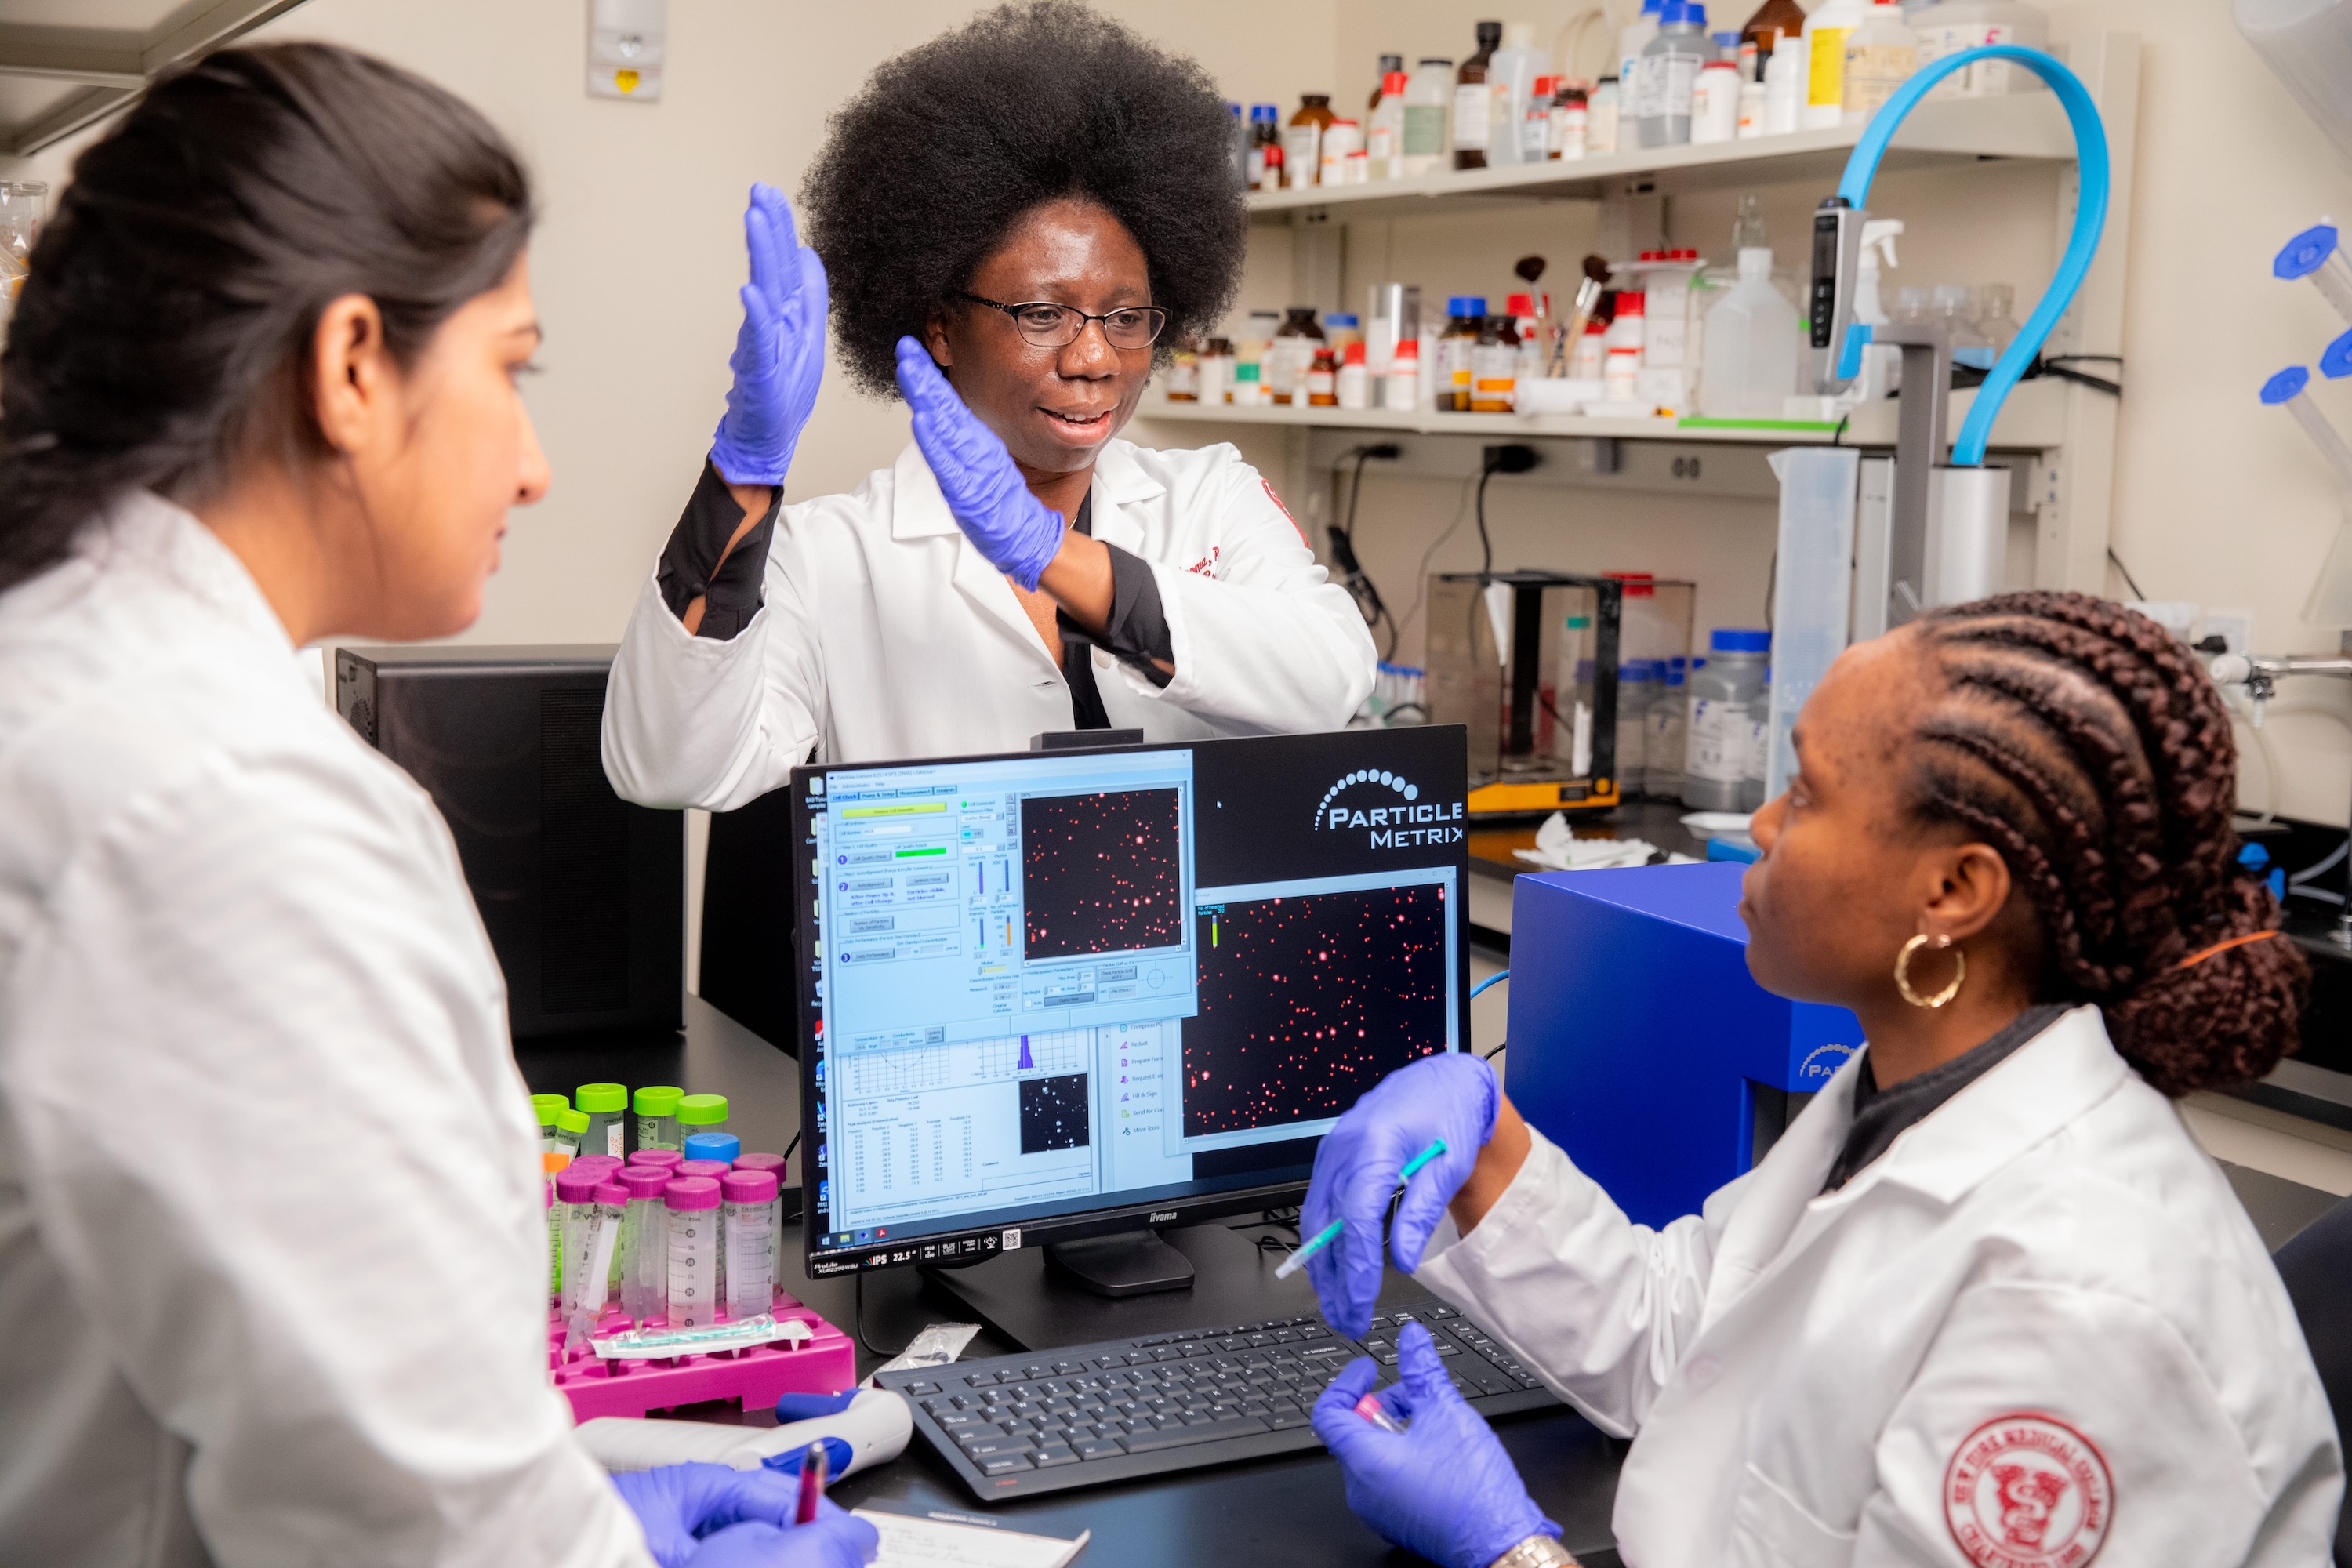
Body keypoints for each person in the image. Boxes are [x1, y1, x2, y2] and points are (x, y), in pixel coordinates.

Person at [0, 45, 873, 1568]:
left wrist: (574, 1504)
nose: (533, 468)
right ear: (351, 366)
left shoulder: (72, 674)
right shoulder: (235, 818)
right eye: (511, 368)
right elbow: (418, 1536)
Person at [1297, 593, 2342, 1567]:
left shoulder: (2077, 1303)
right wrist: (1486, 1149)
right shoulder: (1907, 1094)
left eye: (1808, 793)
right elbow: (1691, 1343)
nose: (1760, 824)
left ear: (1954, 889)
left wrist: (1513, 1551)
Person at [600, 2, 1374, 811]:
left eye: (1125, 316)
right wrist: (742, 475)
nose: (1095, 358)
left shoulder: (1210, 496)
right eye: (1042, 314)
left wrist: (1054, 556)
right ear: (941, 326)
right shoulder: (830, 557)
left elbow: (1332, 677)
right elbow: (667, 768)